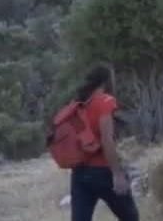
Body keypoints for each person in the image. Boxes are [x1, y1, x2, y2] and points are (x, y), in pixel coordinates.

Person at [69, 65, 140, 221]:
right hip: (102, 171)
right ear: (106, 82)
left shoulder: (77, 104)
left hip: (79, 173)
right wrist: (117, 174)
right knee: (131, 217)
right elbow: (106, 140)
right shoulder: (105, 101)